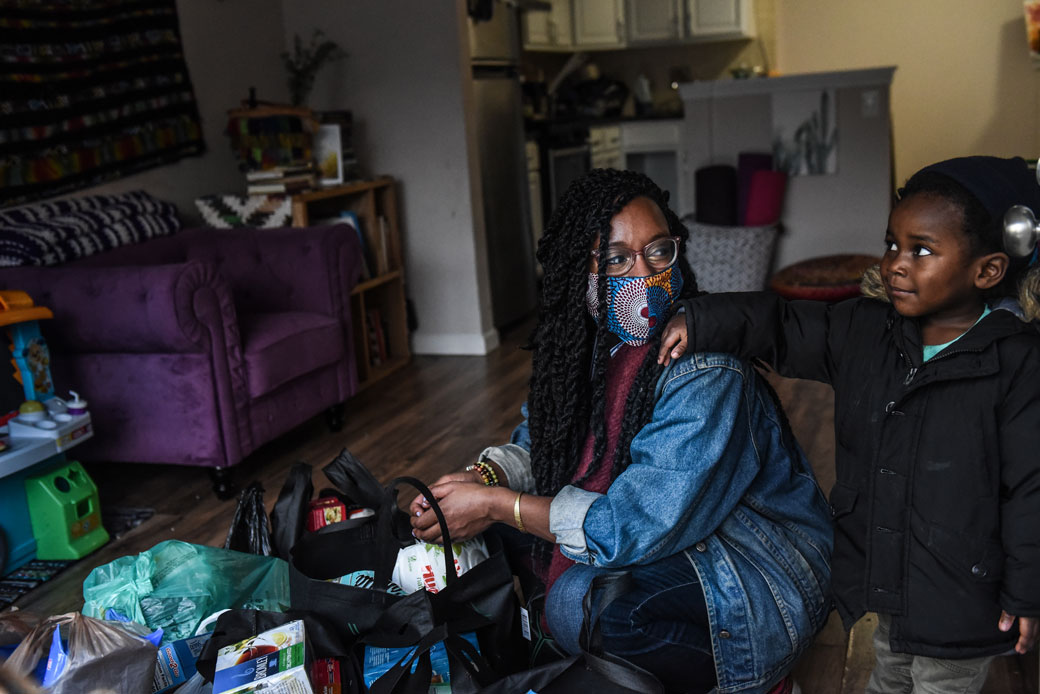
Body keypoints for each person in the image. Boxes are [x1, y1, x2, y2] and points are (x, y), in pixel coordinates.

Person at [409, 169, 833, 694]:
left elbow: (628, 527)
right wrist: (480, 479)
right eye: (617, 259)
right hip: (663, 529)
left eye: (658, 251)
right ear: (580, 273)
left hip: (754, 572)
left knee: (600, 609)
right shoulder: (591, 347)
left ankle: (762, 682)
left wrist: (497, 503)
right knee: (486, 532)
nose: (647, 274)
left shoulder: (707, 371)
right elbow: (543, 443)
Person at [656, 155, 1040, 693]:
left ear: (988, 270)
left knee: (939, 684)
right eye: (892, 244)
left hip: (964, 595)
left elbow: (1031, 489)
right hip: (889, 580)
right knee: (888, 673)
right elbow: (784, 325)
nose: (896, 264)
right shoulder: (867, 331)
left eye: (921, 250)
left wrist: (1027, 592)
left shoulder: (1017, 363)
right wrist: (700, 319)